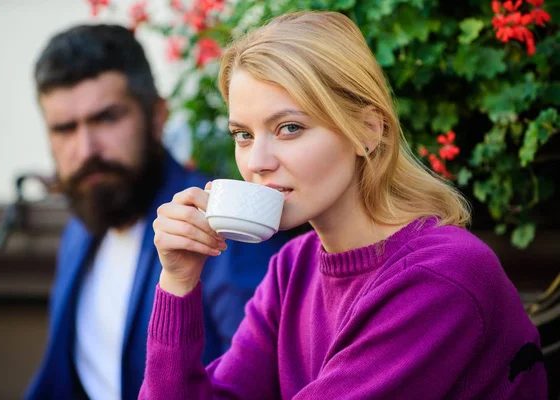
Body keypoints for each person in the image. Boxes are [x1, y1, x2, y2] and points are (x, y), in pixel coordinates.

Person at [138, 11, 548, 399]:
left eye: (289, 128)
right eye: (243, 135)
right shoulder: (293, 268)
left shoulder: (440, 275)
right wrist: (177, 282)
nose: (257, 162)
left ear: (366, 130)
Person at [24, 24, 288, 400]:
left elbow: (262, 386)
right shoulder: (82, 228)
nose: (86, 150)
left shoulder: (220, 222)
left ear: (157, 115)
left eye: (106, 118)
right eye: (65, 129)